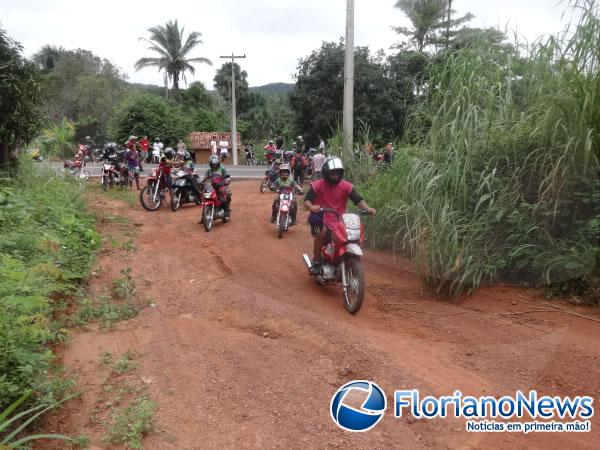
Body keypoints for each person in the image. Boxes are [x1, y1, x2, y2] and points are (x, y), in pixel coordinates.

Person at [303, 157, 376, 273]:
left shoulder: (346, 186)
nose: (335, 176)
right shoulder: (318, 185)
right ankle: (316, 262)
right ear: (326, 173)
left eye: (337, 173)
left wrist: (368, 208)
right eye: (332, 174)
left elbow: (357, 199)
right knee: (322, 233)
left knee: (351, 235)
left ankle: (341, 259)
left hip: (339, 219)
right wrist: (312, 207)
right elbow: (307, 200)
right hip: (321, 217)